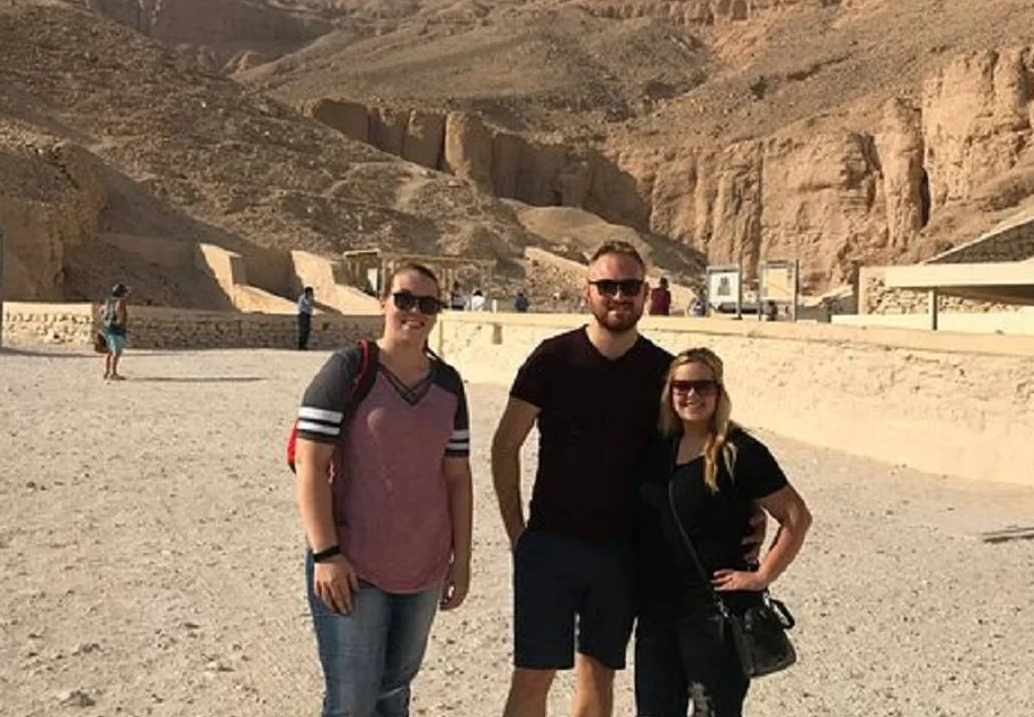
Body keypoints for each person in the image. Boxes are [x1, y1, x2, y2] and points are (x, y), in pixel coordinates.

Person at [492, 241, 673, 717]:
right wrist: (517, 533)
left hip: (622, 551)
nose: (618, 296)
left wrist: (750, 506)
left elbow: (699, 448)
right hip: (550, 544)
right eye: (607, 286)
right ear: (587, 291)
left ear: (646, 293)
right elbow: (505, 445)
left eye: (629, 287)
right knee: (532, 677)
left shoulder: (663, 372)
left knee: (598, 675)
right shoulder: (552, 358)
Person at [292, 264, 473, 717]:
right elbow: (310, 465)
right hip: (352, 564)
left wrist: (462, 560)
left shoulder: (448, 384)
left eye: (427, 303)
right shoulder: (350, 369)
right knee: (352, 701)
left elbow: (457, 476)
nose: (415, 311)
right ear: (383, 302)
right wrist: (326, 554)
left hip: (424, 567)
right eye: (404, 299)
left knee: (394, 692)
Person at [636, 348, 812, 717]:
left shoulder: (739, 452)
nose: (692, 395)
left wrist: (762, 575)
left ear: (719, 391)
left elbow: (796, 517)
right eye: (682, 387)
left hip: (713, 613)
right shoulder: (657, 447)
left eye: (703, 386)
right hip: (656, 610)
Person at [100, 283, 130, 381]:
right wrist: (120, 323)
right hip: (116, 330)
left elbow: (101, 311)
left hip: (107, 328)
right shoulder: (120, 302)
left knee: (109, 352)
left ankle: (107, 372)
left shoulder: (108, 301)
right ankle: (113, 373)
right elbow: (120, 316)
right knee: (116, 353)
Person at [297, 286, 316, 351]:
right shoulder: (303, 297)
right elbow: (307, 303)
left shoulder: (309, 298)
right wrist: (310, 299)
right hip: (303, 314)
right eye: (311, 292)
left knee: (307, 331)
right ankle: (301, 346)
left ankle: (304, 345)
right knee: (303, 331)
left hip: (307, 314)